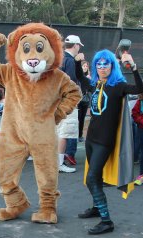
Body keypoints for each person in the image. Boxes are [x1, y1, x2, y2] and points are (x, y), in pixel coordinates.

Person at [80, 49, 143, 234]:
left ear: (112, 66)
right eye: (98, 64)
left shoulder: (118, 86)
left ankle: (106, 221)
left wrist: (133, 67)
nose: (102, 68)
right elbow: (80, 77)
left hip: (104, 140)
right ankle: (96, 207)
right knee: (94, 178)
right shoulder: (94, 84)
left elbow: (139, 89)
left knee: (92, 178)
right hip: (91, 138)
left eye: (105, 64)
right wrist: (77, 62)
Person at [57, 35, 86, 173]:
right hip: (66, 102)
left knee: (58, 132)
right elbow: (72, 83)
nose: (79, 48)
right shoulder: (69, 61)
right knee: (64, 133)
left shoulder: (59, 59)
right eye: (78, 45)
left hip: (57, 101)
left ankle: (56, 162)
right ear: (75, 45)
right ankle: (59, 163)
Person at [77, 61, 92, 144]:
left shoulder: (88, 77)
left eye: (86, 66)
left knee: (82, 118)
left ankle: (80, 135)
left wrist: (89, 80)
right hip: (78, 99)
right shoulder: (79, 76)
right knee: (78, 118)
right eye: (84, 66)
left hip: (85, 100)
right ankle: (76, 135)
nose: (85, 67)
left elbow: (90, 88)